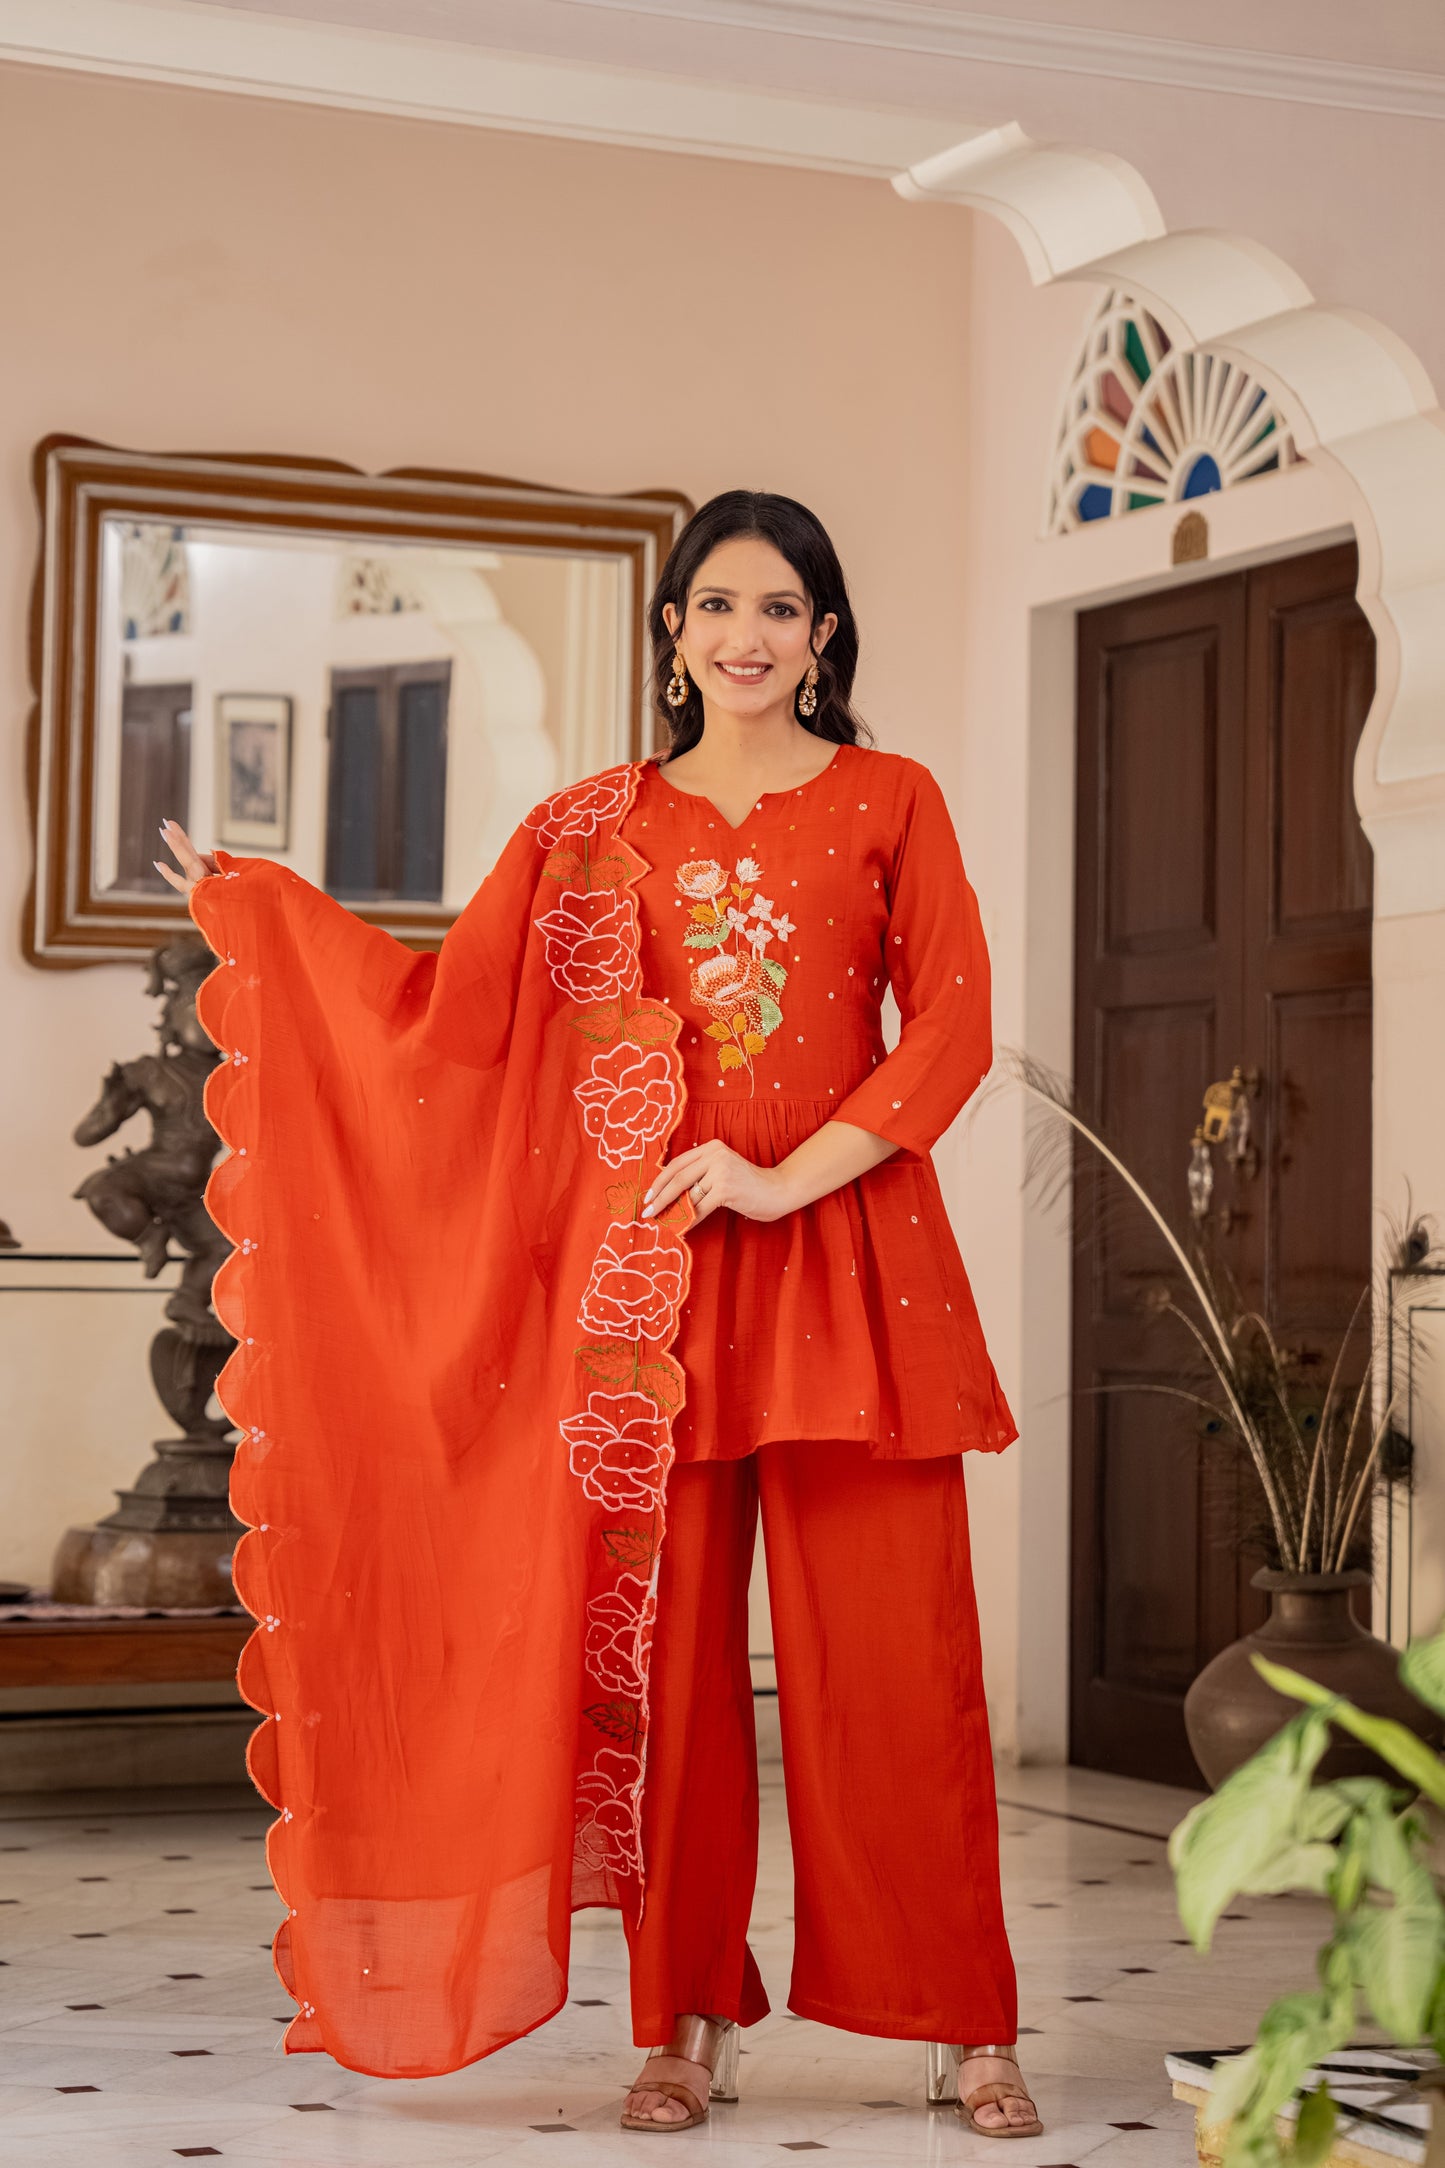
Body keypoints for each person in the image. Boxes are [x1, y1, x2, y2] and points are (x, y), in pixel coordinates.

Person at [158, 489, 1041, 2140]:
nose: (745, 637)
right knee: (674, 1688)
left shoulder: (888, 798)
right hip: (659, 1302)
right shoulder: (592, 826)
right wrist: (269, 916)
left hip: (854, 1264)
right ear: (673, 629)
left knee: (901, 1673)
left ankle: (962, 2019)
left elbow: (953, 1026)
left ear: (825, 635)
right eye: (715, 605)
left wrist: (786, 1180)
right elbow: (447, 1011)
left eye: (779, 609)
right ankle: (684, 2016)